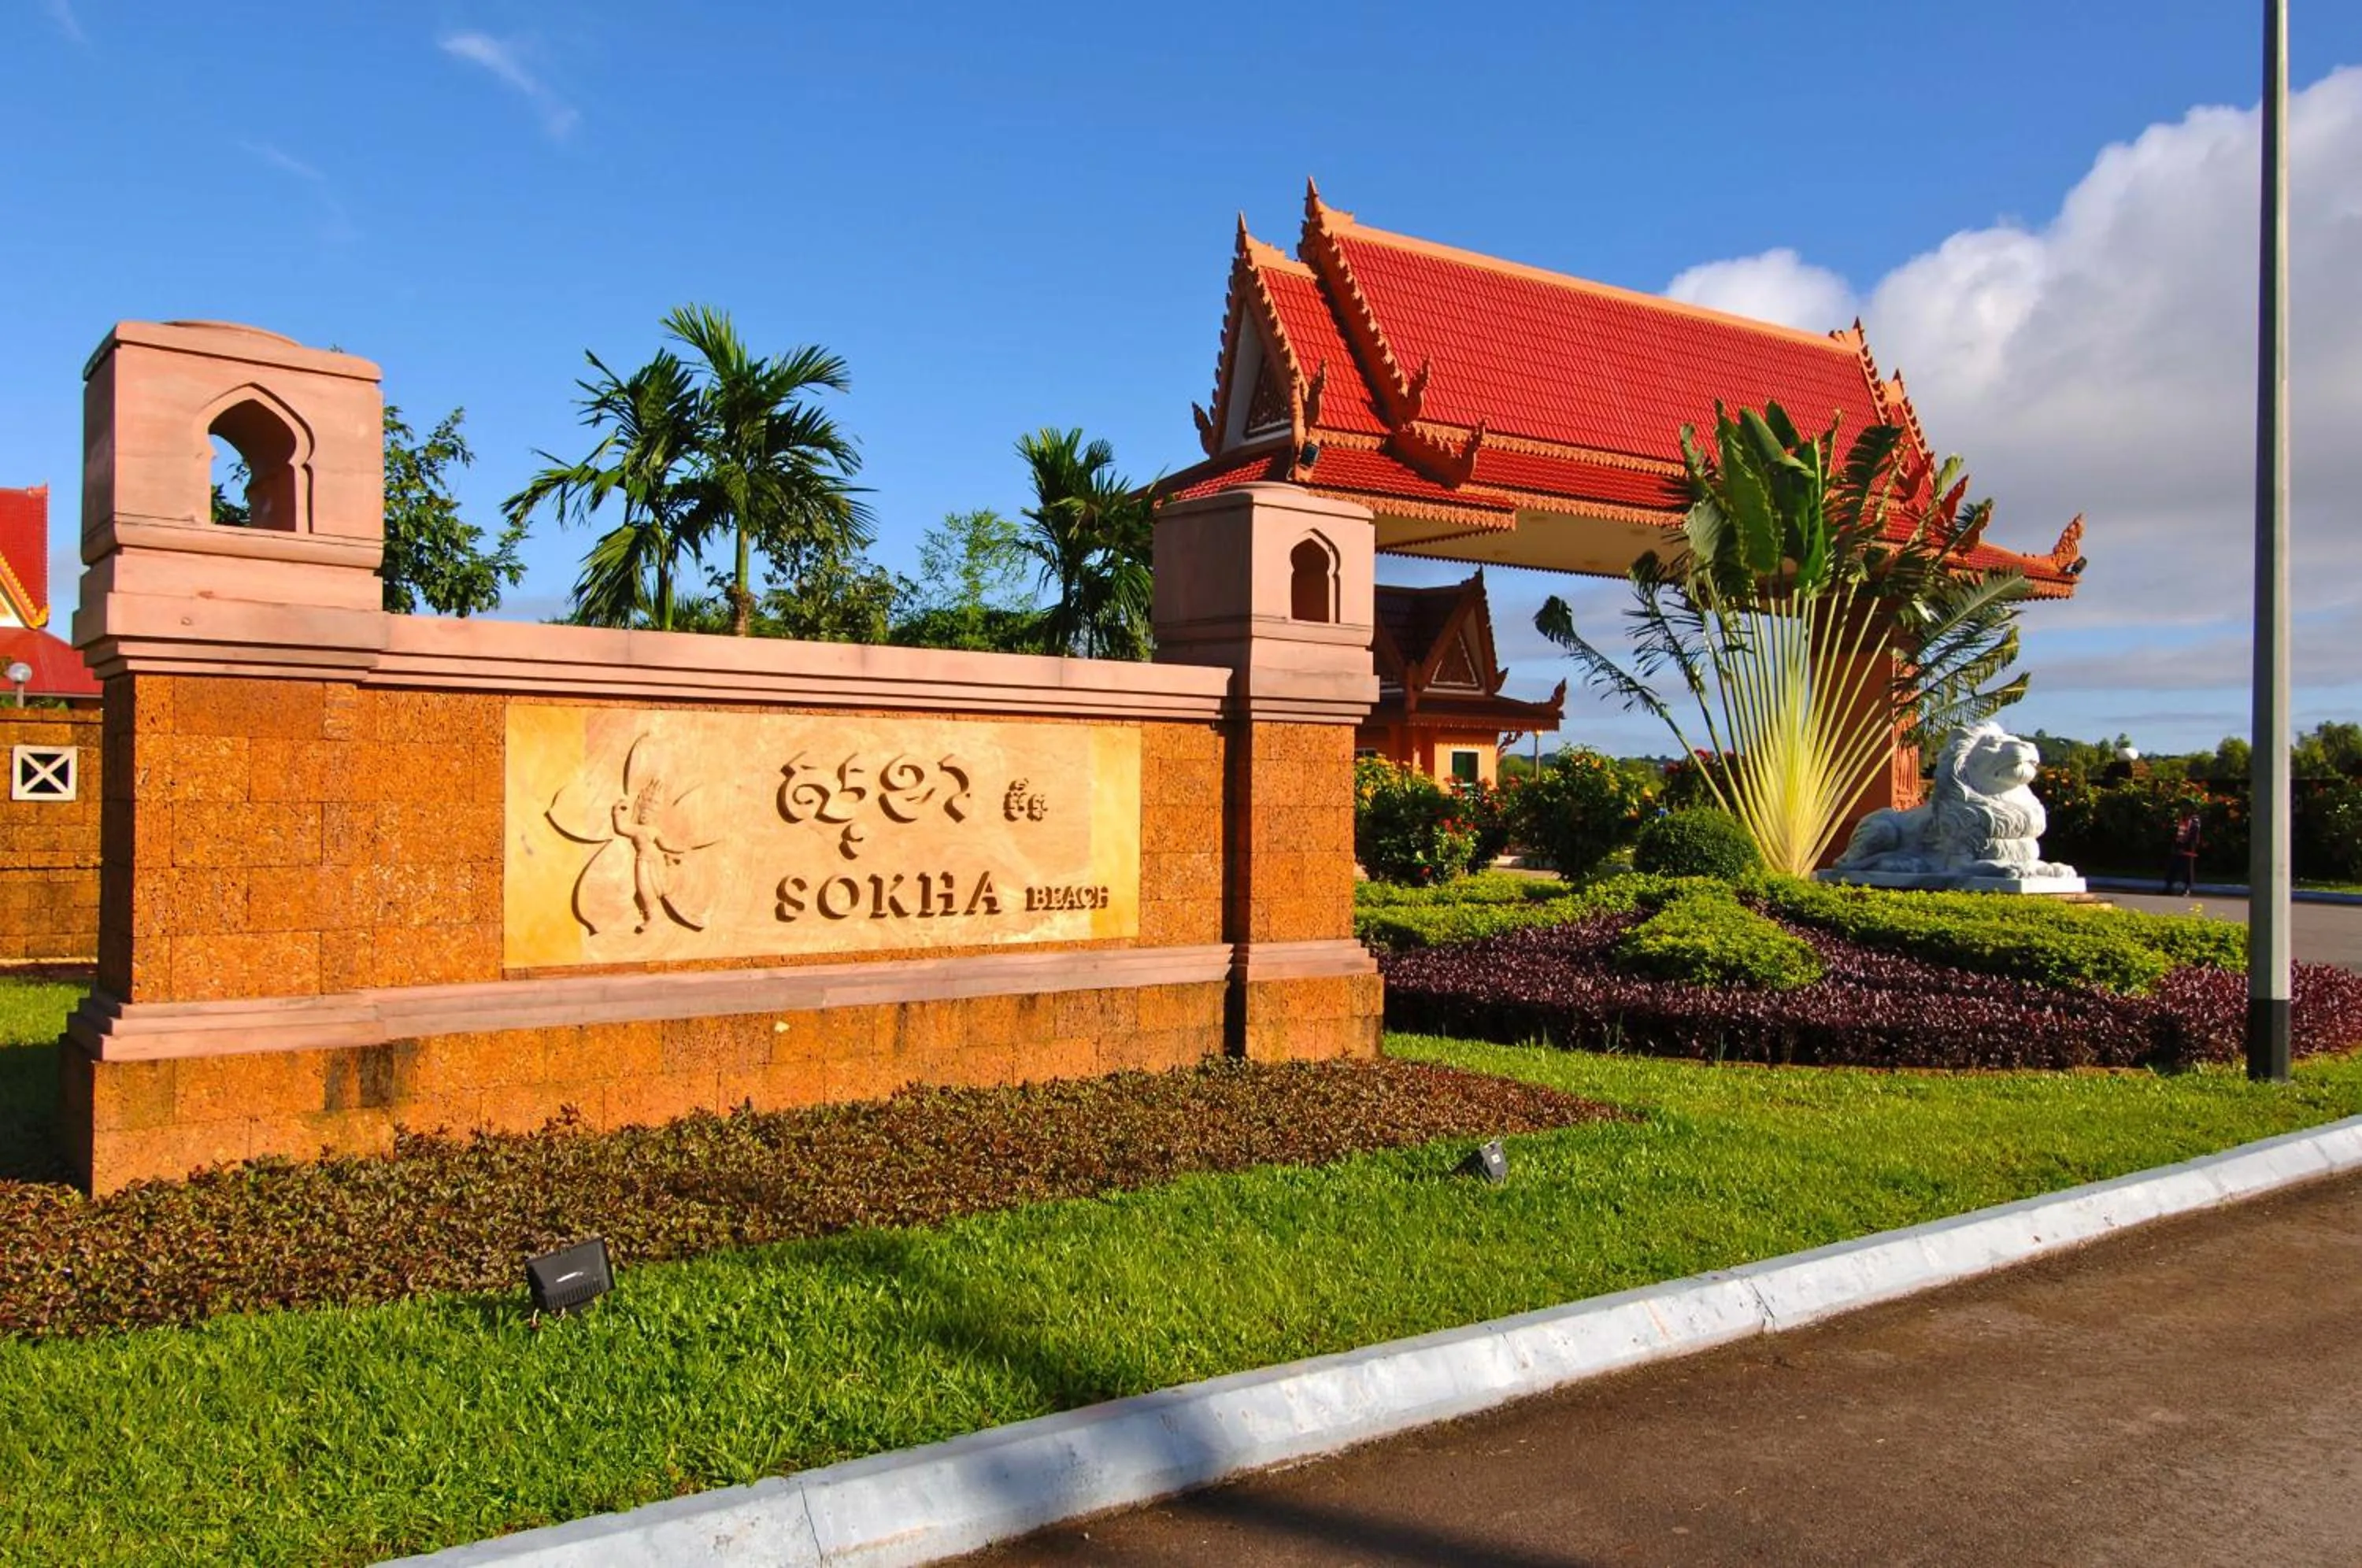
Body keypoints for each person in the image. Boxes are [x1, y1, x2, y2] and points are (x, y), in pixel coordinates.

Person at [2162, 808, 2202, 897]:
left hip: (2188, 850)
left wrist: (2187, 849)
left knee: (2187, 871)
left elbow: (2194, 837)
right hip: (2178, 849)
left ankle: (2187, 889)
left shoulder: (2194, 821)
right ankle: (2168, 887)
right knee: (2172, 869)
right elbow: (2177, 834)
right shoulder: (2181, 821)